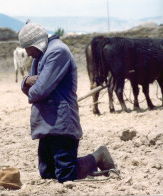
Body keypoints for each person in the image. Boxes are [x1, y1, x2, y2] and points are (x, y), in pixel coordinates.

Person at [18, 22, 116, 183]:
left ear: (37, 43)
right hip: (47, 123)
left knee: (65, 174)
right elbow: (29, 86)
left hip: (61, 122)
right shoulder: (40, 55)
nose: (28, 53)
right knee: (47, 173)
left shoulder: (57, 51)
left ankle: (99, 156)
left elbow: (38, 91)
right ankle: (92, 160)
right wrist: (26, 81)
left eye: (28, 47)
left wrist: (29, 84)